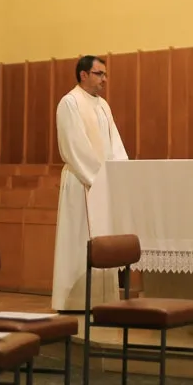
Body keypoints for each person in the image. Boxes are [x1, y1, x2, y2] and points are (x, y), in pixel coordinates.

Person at [51, 55, 128, 312]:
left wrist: (119, 174)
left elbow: (115, 143)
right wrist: (99, 178)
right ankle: (74, 301)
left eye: (105, 74)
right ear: (83, 75)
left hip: (103, 182)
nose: (104, 79)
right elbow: (75, 146)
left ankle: (102, 299)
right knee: (79, 239)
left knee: (102, 237)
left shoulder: (103, 105)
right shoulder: (70, 102)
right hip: (81, 180)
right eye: (99, 74)